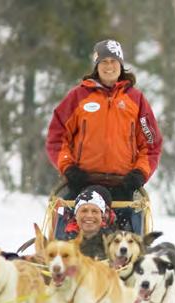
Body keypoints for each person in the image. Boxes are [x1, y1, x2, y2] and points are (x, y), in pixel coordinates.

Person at [46, 39, 163, 205]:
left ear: (121, 64)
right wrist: (69, 168)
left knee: (131, 229)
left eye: (113, 61)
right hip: (82, 183)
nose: (109, 66)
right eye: (104, 62)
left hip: (124, 186)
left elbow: (151, 144)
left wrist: (139, 173)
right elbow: (56, 138)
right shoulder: (78, 97)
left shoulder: (136, 100)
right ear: (96, 66)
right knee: (64, 220)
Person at [63, 185, 115, 260]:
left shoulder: (112, 241)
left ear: (102, 216)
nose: (89, 215)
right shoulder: (65, 242)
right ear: (76, 216)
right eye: (84, 211)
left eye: (94, 211)